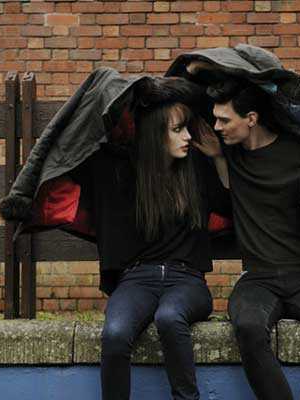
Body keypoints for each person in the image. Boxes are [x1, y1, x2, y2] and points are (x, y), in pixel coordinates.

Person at [193, 76, 300, 400]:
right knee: (249, 328)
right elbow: (223, 201)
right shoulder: (230, 155)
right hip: (257, 279)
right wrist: (216, 157)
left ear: (251, 119)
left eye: (224, 120)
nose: (216, 127)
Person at [69, 79, 230, 400]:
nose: (188, 137)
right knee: (115, 334)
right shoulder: (124, 173)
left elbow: (229, 206)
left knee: (169, 318)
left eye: (187, 128)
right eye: (178, 130)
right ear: (156, 134)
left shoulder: (197, 169)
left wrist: (218, 158)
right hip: (137, 280)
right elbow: (91, 136)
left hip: (188, 281)